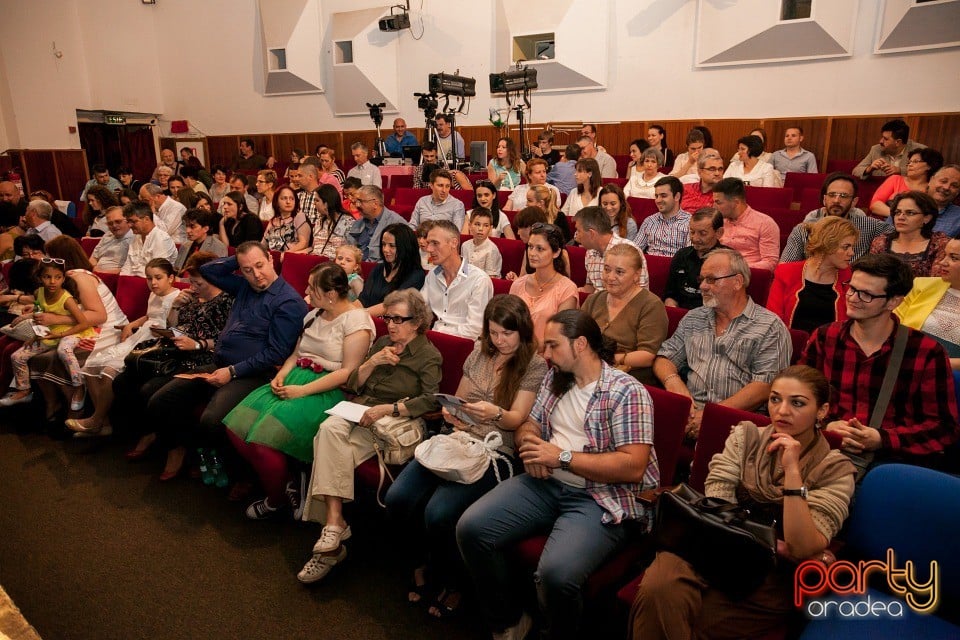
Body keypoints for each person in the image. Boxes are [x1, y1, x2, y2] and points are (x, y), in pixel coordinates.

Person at [457, 309, 658, 640]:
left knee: (555, 574)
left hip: (599, 496)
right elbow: (528, 424)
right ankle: (507, 621)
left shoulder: (627, 392)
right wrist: (531, 446)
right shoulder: (556, 379)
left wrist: (560, 457)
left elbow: (632, 465)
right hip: (546, 481)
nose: (544, 354)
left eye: (552, 345)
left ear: (580, 344)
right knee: (472, 527)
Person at [629, 365, 857, 640]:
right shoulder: (746, 435)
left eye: (797, 403)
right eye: (775, 399)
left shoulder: (835, 469)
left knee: (691, 625)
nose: (782, 411)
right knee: (658, 587)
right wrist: (774, 543)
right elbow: (716, 496)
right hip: (710, 544)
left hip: (769, 574)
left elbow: (802, 545)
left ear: (822, 411)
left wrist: (794, 474)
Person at [385, 294, 547, 618]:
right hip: (458, 439)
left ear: (523, 332)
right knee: (397, 496)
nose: (499, 340)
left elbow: (517, 419)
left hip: (494, 449)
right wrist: (455, 414)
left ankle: (454, 580)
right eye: (494, 332)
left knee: (439, 512)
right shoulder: (479, 352)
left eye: (507, 334)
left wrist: (494, 412)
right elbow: (457, 398)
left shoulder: (534, 364)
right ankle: (422, 564)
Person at [297, 289, 441, 584]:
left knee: (327, 446)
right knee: (328, 429)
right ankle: (335, 525)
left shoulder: (428, 355)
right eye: (388, 317)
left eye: (399, 319)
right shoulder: (383, 343)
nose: (391, 324)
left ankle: (329, 545)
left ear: (417, 322)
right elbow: (354, 383)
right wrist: (371, 363)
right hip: (358, 411)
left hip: (388, 422)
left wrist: (391, 407)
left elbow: (431, 400)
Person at [137, 243, 307, 482]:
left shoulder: (288, 301)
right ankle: (185, 449)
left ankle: (235, 472)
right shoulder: (245, 286)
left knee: (211, 420)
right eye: (247, 269)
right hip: (218, 363)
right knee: (160, 400)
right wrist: (239, 261)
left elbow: (276, 353)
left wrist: (233, 371)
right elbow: (207, 271)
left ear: (271, 259)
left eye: (260, 265)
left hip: (254, 373)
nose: (256, 275)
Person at [224, 262, 374, 518]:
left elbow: (347, 372)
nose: (306, 291)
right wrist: (281, 375)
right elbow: (296, 354)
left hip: (324, 388)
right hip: (295, 377)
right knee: (235, 427)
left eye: (312, 288)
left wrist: (302, 391)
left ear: (330, 294)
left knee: (263, 441)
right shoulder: (313, 314)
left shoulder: (356, 321)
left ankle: (276, 498)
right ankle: (289, 482)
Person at [802, 253, 959, 471]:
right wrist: (826, 424)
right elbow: (799, 396)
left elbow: (944, 428)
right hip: (825, 449)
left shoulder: (926, 352)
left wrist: (881, 438)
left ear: (893, 301)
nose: (853, 298)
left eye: (866, 294)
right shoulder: (824, 337)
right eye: (852, 288)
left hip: (891, 464)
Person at [655, 249, 792, 438]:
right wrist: (674, 383)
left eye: (711, 279)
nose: (702, 286)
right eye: (701, 279)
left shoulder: (770, 327)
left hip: (739, 424)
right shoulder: (694, 317)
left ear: (737, 282)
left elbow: (765, 385)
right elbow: (665, 357)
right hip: (690, 414)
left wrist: (712, 416)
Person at [63, 258, 180, 437]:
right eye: (149, 278)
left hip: (158, 342)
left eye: (158, 278)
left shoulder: (177, 297)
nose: (153, 283)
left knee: (110, 370)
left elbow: (175, 327)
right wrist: (131, 324)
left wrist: (159, 331)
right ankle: (103, 423)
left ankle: (95, 420)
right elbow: (149, 316)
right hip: (143, 335)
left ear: (171, 278)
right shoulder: (154, 294)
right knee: (91, 366)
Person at [0, 258, 95, 408]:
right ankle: (24, 390)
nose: (52, 281)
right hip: (50, 334)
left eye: (57, 277)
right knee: (17, 356)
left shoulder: (67, 299)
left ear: (63, 279)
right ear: (40, 278)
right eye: (47, 277)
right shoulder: (39, 293)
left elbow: (83, 323)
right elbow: (41, 317)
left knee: (64, 350)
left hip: (72, 333)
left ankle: (79, 386)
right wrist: (35, 336)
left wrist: (61, 335)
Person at [582, 243, 667, 384]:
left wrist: (603, 359)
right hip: (589, 370)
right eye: (607, 269)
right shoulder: (594, 299)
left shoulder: (651, 305)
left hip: (629, 379)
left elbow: (647, 356)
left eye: (619, 272)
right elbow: (576, 334)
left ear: (636, 275)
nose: (610, 277)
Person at [767, 216, 857, 333]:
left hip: (830, 347)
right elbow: (773, 319)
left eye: (852, 247)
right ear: (827, 245)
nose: (852, 253)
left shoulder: (850, 278)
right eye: (846, 247)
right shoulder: (787, 272)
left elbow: (854, 324)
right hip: (789, 344)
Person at [781, 172, 892, 263]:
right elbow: (785, 267)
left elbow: (900, 233)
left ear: (854, 201)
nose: (836, 200)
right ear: (824, 199)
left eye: (843, 196)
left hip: (852, 285)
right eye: (832, 195)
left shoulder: (870, 225)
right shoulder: (803, 230)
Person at [421, 220, 494, 340]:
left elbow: (475, 329)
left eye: (435, 243)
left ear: (454, 243)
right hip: (434, 340)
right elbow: (420, 311)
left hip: (464, 345)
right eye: (428, 243)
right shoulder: (432, 276)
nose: (429, 249)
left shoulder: (479, 280)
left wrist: (438, 336)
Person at [509, 222, 578, 346]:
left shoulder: (567, 289)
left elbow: (560, 336)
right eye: (530, 247)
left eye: (540, 249)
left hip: (547, 357)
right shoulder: (518, 284)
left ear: (556, 253)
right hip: (514, 351)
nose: (532, 253)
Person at [896, 237, 960, 364]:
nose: (942, 262)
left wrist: (935, 364)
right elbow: (892, 325)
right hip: (905, 362)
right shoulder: (921, 285)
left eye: (954, 258)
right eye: (944, 255)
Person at [869, 190, 948, 277]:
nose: (901, 217)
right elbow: (871, 276)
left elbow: (937, 282)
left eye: (910, 213)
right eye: (897, 212)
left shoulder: (940, 244)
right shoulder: (881, 242)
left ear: (927, 218)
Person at [664, 207, 729, 309]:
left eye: (702, 233)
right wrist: (672, 307)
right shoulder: (681, 255)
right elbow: (670, 295)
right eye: (692, 232)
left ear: (719, 233)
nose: (695, 238)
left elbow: (730, 303)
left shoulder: (729, 260)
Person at [575, 206, 648, 294]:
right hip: (599, 303)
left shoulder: (630, 250)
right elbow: (591, 286)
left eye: (579, 231)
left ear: (591, 233)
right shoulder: (590, 252)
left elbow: (641, 292)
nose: (576, 236)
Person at [713, 177, 780, 272]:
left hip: (750, 276)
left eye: (718, 202)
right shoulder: (717, 222)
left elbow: (770, 262)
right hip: (717, 273)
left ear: (736, 202)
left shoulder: (765, 223)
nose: (714, 207)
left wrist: (736, 270)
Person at [358, 223, 425, 316]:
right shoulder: (378, 269)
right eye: (383, 244)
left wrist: (358, 315)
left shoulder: (416, 275)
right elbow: (362, 299)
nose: (385, 249)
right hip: (366, 319)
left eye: (392, 246)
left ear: (405, 247)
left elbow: (391, 305)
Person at [870, 147, 943, 218]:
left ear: (929, 166)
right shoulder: (895, 179)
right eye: (909, 162)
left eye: (915, 161)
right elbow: (875, 204)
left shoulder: (932, 188)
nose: (910, 165)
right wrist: (899, 216)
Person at [347, 185, 407, 262]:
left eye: (361, 201)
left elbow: (401, 256)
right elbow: (349, 249)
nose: (357, 205)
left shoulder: (396, 224)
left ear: (375, 204)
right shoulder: (358, 223)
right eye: (357, 201)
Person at [634, 176, 691, 257]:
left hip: (674, 267)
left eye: (663, 196)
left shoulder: (690, 222)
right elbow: (635, 250)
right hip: (650, 266)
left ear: (677, 196)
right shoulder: (649, 221)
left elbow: (689, 257)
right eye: (656, 196)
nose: (658, 200)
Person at [852, 119, 926, 180]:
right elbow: (856, 171)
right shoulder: (876, 149)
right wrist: (870, 168)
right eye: (882, 137)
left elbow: (926, 172)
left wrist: (900, 171)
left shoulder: (920, 150)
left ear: (898, 142)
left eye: (885, 139)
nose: (880, 141)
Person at [119, 203, 178, 277]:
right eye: (128, 221)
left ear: (146, 219)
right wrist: (123, 281)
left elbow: (157, 272)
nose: (129, 225)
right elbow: (127, 266)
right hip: (133, 281)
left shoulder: (161, 239)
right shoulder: (135, 237)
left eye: (133, 221)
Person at [262, 185, 311, 254]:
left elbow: (304, 243)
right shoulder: (273, 221)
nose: (288, 202)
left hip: (290, 257)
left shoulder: (299, 217)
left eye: (291, 199)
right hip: (272, 257)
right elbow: (263, 245)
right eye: (284, 198)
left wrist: (287, 254)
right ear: (277, 201)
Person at [310, 184, 353, 259]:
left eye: (317, 200)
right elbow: (314, 248)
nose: (314, 203)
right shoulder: (318, 222)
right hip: (315, 262)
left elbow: (351, 251)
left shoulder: (348, 222)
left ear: (326, 203)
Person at [89, 206, 134, 273]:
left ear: (127, 220)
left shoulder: (135, 239)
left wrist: (103, 272)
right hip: (97, 272)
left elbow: (129, 269)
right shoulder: (107, 235)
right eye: (110, 223)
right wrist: (95, 268)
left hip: (115, 277)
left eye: (118, 221)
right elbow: (93, 258)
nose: (114, 225)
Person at [460, 208, 502, 277]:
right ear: (470, 226)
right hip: (468, 281)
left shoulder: (492, 249)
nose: (480, 229)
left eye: (486, 225)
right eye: (477, 224)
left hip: (484, 283)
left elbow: (491, 278)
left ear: (490, 228)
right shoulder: (465, 245)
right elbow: (464, 272)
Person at [926, 165, 960, 237]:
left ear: (957, 192)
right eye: (943, 181)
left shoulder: (958, 217)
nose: (946, 187)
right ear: (931, 180)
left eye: (954, 186)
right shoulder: (907, 205)